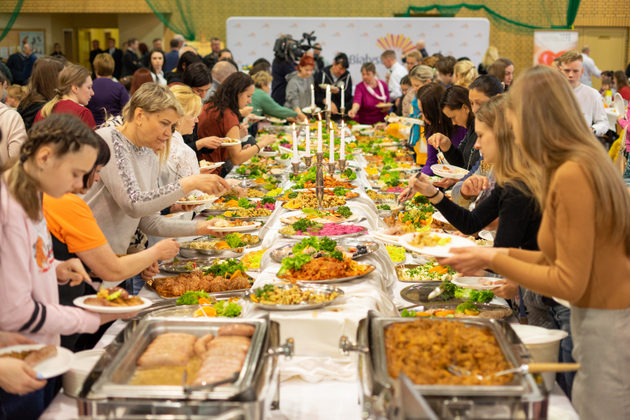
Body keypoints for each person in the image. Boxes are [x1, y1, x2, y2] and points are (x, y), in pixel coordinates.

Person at [441, 65, 630, 420]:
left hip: (606, 323)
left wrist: (495, 259)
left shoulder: (573, 172)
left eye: (513, 121)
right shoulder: (575, 163)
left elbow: (567, 279)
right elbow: (557, 256)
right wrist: (495, 254)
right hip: (597, 317)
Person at [0, 114, 131, 420]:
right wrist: (92, 318)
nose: (79, 184)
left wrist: (53, 266)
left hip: (37, 350)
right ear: (44, 157)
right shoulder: (8, 208)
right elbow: (15, 311)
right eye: (76, 173)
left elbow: (20, 261)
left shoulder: (33, 195)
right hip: (13, 360)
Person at [43, 136, 179, 350]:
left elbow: (87, 262)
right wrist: (156, 252)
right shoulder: (67, 203)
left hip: (57, 318)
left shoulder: (45, 198)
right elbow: (110, 270)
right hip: (58, 325)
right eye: (95, 170)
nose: (97, 179)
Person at [401, 95, 541, 294]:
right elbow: (472, 222)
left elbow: (501, 256)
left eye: (482, 136)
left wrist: (467, 258)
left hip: (548, 298)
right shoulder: (510, 177)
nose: (476, 145)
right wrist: (432, 193)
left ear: (504, 135)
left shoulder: (522, 184)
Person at [83, 83, 231, 257]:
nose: (169, 134)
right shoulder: (109, 139)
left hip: (117, 259)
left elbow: (150, 222)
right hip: (87, 260)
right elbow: (134, 204)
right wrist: (190, 183)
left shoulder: (149, 154)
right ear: (139, 116)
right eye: (164, 124)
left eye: (172, 127)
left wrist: (204, 228)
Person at [197, 72, 277, 175]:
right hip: (212, 172)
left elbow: (220, 140)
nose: (249, 101)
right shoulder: (228, 115)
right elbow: (236, 159)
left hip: (202, 165)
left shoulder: (211, 104)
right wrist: (263, 143)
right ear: (237, 94)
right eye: (248, 96)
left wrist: (239, 143)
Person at [558, 50, 609, 136]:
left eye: (575, 71)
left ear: (581, 72)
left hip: (581, 143)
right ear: (560, 70)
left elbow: (604, 122)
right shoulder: (550, 92)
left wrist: (593, 130)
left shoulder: (592, 94)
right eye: (567, 70)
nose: (570, 75)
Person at [415, 83, 456, 176]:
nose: (423, 118)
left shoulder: (458, 126)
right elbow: (431, 162)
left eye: (425, 112)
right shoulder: (431, 126)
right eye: (421, 112)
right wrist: (419, 178)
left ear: (435, 110)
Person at [17, 57, 64, 130]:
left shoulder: (28, 100)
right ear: (51, 79)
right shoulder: (45, 109)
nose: (65, 81)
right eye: (62, 77)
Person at [87, 53, 130, 126]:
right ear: (112, 69)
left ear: (95, 69)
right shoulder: (119, 88)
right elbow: (127, 111)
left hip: (93, 129)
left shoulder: (88, 87)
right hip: (115, 129)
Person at [0, 81, 28, 166]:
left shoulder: (12, 116)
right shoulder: (12, 118)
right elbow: (16, 161)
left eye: (9, 96)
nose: (7, 98)